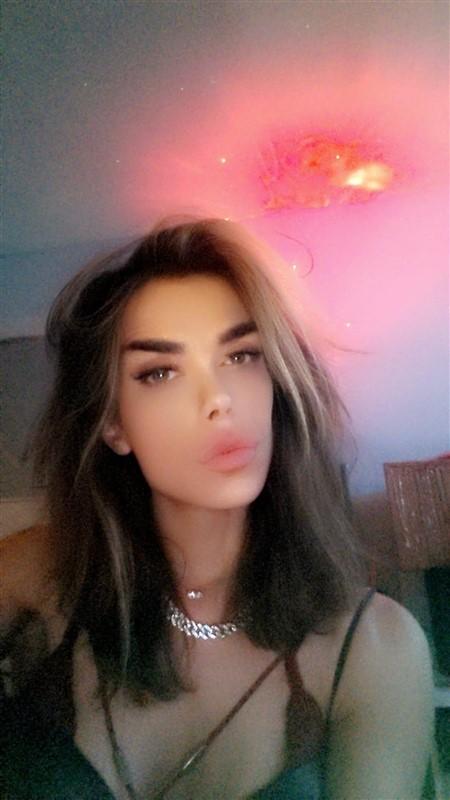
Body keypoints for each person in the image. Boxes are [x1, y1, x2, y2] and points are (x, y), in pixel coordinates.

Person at [0, 217, 434, 799]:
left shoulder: (378, 649)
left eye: (241, 356)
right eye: (160, 372)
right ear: (113, 424)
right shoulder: (38, 571)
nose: (219, 400)